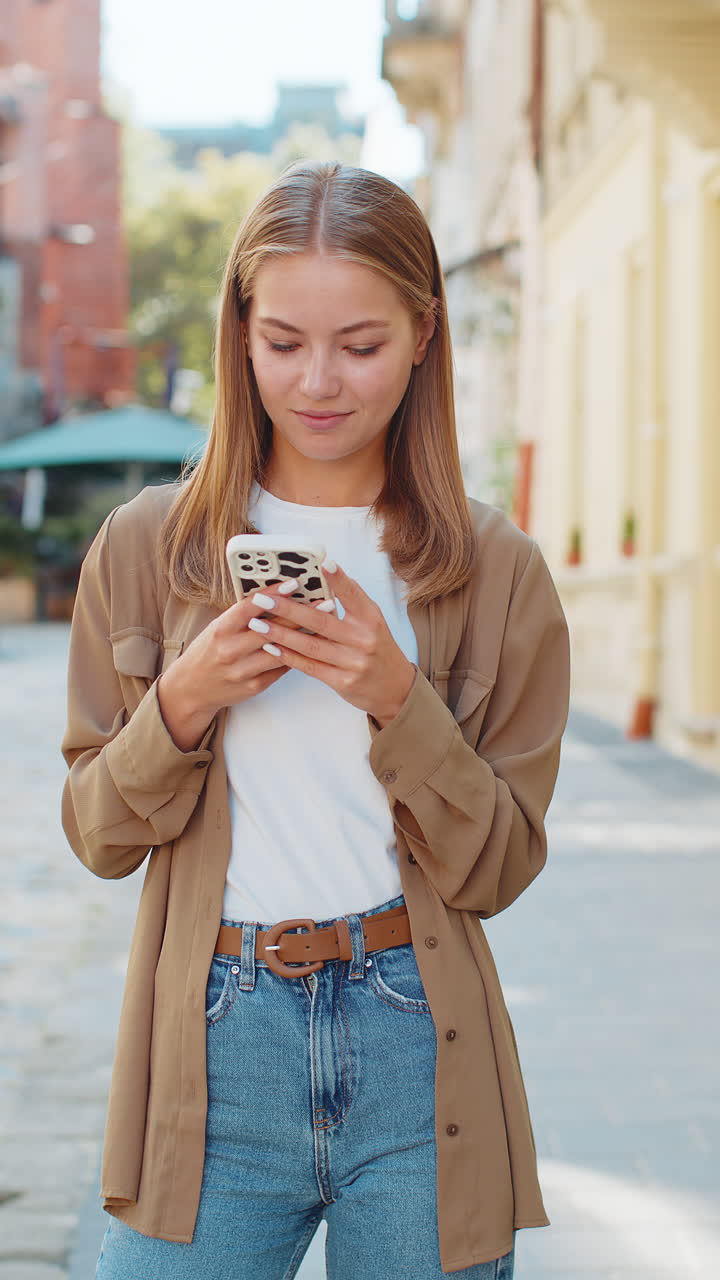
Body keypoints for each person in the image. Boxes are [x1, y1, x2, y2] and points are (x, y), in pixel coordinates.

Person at [61, 160, 570, 1279]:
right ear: (240, 331)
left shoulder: (497, 571)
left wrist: (397, 696)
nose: (319, 381)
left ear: (425, 333)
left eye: (362, 343)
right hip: (213, 1042)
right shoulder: (150, 546)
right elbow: (96, 832)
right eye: (284, 340)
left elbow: (502, 863)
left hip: (415, 1045)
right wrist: (184, 702)